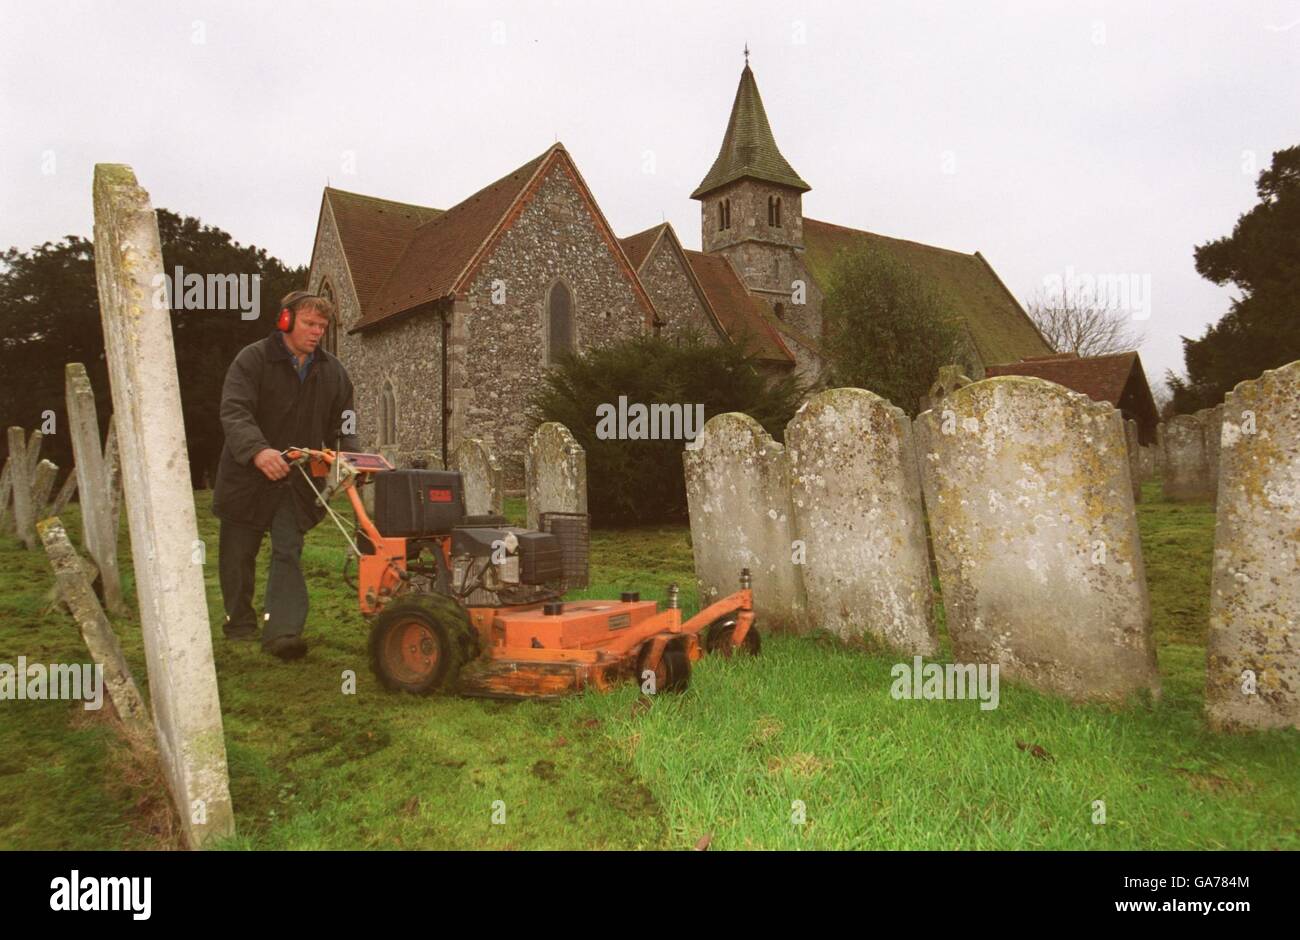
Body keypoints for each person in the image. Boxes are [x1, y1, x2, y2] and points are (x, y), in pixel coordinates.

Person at [212, 290, 360, 660]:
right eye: (310, 324)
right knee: (237, 555)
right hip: (247, 478)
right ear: (285, 320)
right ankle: (240, 623)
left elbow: (345, 425)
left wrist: (349, 460)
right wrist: (258, 451)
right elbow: (235, 412)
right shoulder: (252, 361)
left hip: (296, 483)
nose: (316, 333)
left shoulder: (333, 373)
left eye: (322, 327)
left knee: (287, 550)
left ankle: (283, 632)